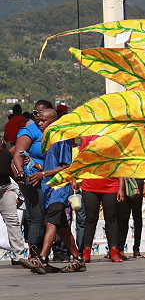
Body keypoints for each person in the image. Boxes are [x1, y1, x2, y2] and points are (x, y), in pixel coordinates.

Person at [25, 109, 86, 274]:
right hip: (49, 190)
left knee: (50, 222)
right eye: (38, 120)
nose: (39, 123)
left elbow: (65, 166)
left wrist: (43, 174)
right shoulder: (48, 139)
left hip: (59, 189)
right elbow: (51, 165)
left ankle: (42, 258)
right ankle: (78, 259)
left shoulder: (62, 139)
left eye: (43, 120)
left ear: (53, 121)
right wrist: (35, 165)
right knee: (62, 227)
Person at [11, 99, 54, 256]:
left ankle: (50, 253)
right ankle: (34, 254)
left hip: (52, 179)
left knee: (54, 218)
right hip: (33, 179)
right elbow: (17, 154)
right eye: (35, 113)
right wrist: (21, 173)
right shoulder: (29, 131)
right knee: (37, 217)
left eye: (40, 113)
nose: (37, 116)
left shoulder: (57, 132)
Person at [79, 135, 125, 263]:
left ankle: (114, 251)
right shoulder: (88, 137)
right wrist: (74, 178)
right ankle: (86, 252)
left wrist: (121, 187)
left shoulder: (113, 136)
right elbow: (80, 159)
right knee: (90, 219)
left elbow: (119, 164)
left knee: (111, 218)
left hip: (111, 185)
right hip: (90, 184)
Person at [0, 137, 29, 268]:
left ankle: (19, 255)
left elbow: (10, 168)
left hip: (5, 189)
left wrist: (17, 181)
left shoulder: (6, 154)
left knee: (13, 221)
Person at [117, 178, 144, 258]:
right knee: (123, 218)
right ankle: (120, 249)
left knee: (137, 217)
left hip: (137, 182)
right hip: (122, 182)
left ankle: (136, 249)